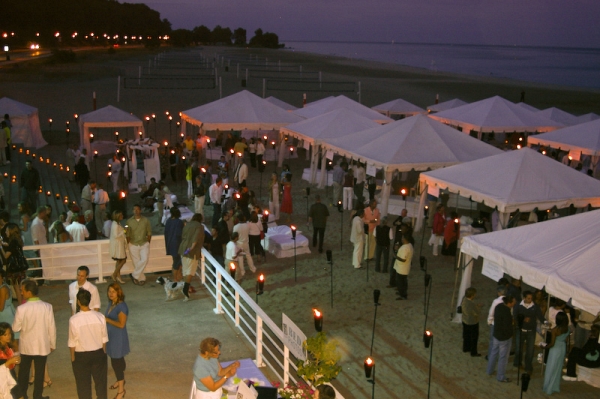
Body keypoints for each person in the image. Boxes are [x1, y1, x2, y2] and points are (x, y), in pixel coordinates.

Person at [13, 279, 56, 399]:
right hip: (42, 345)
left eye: (22, 291)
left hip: (26, 346)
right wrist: (52, 343)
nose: (21, 293)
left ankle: (22, 395)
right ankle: (38, 395)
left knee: (23, 372)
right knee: (39, 372)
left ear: (28, 292)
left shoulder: (22, 308)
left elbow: (15, 328)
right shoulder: (47, 307)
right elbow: (51, 327)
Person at [68, 289, 108, 399]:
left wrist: (73, 358)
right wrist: (103, 353)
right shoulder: (100, 316)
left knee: (83, 386)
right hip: (98, 353)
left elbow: (72, 342)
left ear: (79, 302)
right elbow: (104, 338)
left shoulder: (74, 320)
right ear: (89, 301)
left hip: (81, 356)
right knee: (101, 384)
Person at [105, 283, 130, 399]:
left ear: (118, 293)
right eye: (109, 291)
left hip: (118, 338)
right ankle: (120, 380)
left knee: (116, 363)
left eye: (113, 292)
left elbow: (121, 324)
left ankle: (121, 390)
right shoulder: (111, 304)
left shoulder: (122, 307)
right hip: (111, 337)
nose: (110, 294)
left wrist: (107, 320)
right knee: (118, 360)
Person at [513, 290, 546, 374]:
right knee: (518, 348)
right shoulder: (518, 306)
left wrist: (546, 323)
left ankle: (528, 366)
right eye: (528, 298)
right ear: (524, 298)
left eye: (531, 298)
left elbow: (540, 317)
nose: (530, 300)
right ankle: (517, 362)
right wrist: (523, 319)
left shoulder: (535, 306)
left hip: (531, 331)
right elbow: (514, 316)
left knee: (530, 350)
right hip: (520, 330)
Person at [486, 295, 516, 383]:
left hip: (496, 334)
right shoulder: (507, 312)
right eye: (514, 302)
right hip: (504, 338)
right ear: (509, 303)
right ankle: (501, 376)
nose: (515, 303)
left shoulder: (499, 307)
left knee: (494, 352)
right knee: (503, 357)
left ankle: (489, 370)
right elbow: (507, 326)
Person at [179, 213, 205, 301]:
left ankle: (185, 287)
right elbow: (196, 238)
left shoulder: (187, 225)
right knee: (190, 271)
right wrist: (192, 247)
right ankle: (186, 288)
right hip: (192, 251)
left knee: (185, 270)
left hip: (183, 249)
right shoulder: (200, 227)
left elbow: (183, 235)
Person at [543, 312, 570, 394]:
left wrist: (544, 346)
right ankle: (554, 386)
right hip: (562, 347)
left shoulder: (555, 330)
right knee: (558, 368)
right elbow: (565, 339)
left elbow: (552, 344)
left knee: (551, 367)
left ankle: (548, 387)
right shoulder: (567, 328)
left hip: (555, 349)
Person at [125, 204, 152, 285]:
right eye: (134, 209)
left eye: (137, 209)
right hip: (133, 243)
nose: (136, 211)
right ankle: (141, 278)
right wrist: (129, 242)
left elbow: (149, 232)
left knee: (144, 259)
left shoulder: (146, 220)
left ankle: (134, 275)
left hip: (144, 243)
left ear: (140, 210)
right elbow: (126, 232)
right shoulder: (128, 221)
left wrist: (148, 242)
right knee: (136, 262)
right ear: (132, 211)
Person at [232, 215, 256, 280]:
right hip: (246, 242)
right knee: (248, 255)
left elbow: (234, 235)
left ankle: (242, 271)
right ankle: (252, 268)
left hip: (239, 243)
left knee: (240, 257)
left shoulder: (236, 227)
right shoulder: (247, 225)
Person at [461, 287, 483, 357]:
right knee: (474, 337)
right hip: (472, 322)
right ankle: (473, 352)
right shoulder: (471, 304)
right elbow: (476, 313)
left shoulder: (464, 300)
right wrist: (478, 307)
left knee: (466, 335)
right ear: (472, 295)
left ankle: (466, 347)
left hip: (465, 321)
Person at [164, 207, 184, 282]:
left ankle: (178, 275)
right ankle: (176, 278)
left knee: (176, 261)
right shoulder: (179, 222)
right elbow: (180, 234)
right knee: (177, 262)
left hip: (170, 244)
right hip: (177, 245)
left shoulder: (168, 221)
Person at [109, 211, 127, 284]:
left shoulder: (117, 223)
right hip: (117, 245)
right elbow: (116, 235)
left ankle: (118, 276)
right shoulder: (115, 225)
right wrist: (124, 231)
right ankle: (114, 274)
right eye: (121, 215)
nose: (122, 216)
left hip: (119, 244)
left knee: (119, 260)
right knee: (123, 260)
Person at [393, 234, 414, 300]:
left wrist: (395, 256)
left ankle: (403, 295)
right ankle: (402, 292)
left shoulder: (405, 248)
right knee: (403, 281)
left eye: (402, 238)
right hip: (404, 267)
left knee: (401, 282)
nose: (401, 239)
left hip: (402, 268)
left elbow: (403, 259)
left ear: (405, 239)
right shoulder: (409, 245)